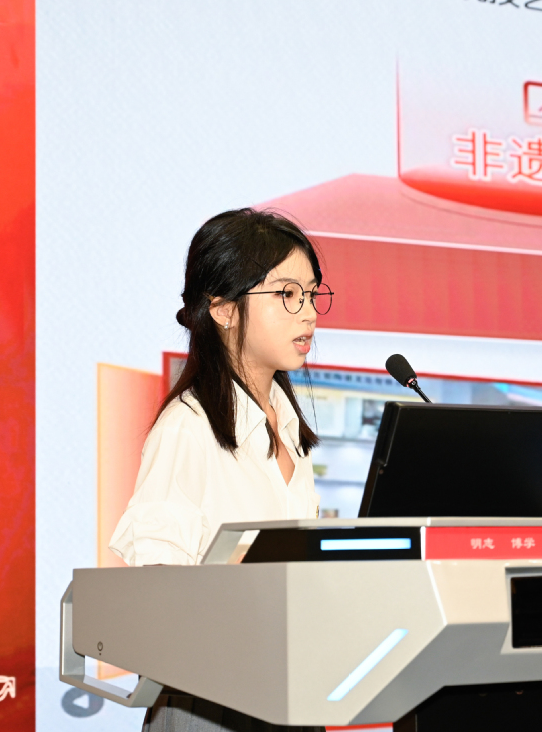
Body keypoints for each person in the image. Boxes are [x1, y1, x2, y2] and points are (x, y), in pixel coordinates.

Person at [108, 208, 332, 732]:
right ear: (224, 309)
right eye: (287, 294)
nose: (309, 314)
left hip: (288, 692)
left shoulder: (289, 430)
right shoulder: (187, 429)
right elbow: (161, 598)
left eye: (312, 294)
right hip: (208, 702)